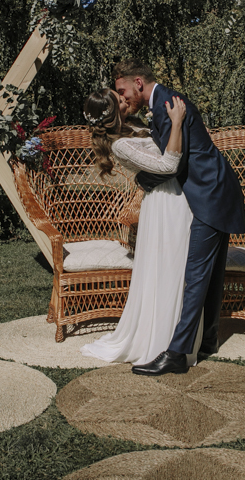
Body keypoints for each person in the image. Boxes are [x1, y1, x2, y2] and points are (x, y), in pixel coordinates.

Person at [113, 59, 245, 376]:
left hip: (209, 194)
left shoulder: (168, 105)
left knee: (195, 275)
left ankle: (176, 353)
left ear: (138, 84)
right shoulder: (162, 104)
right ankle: (208, 341)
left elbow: (174, 161)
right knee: (211, 273)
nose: (121, 97)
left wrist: (147, 180)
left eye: (122, 90)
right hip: (215, 189)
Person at [79, 87, 202, 367]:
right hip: (164, 205)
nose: (127, 100)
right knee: (167, 270)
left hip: (177, 199)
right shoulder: (120, 145)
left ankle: (180, 338)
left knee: (177, 268)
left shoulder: (134, 127)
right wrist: (178, 122)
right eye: (121, 100)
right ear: (112, 114)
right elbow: (169, 164)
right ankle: (161, 342)